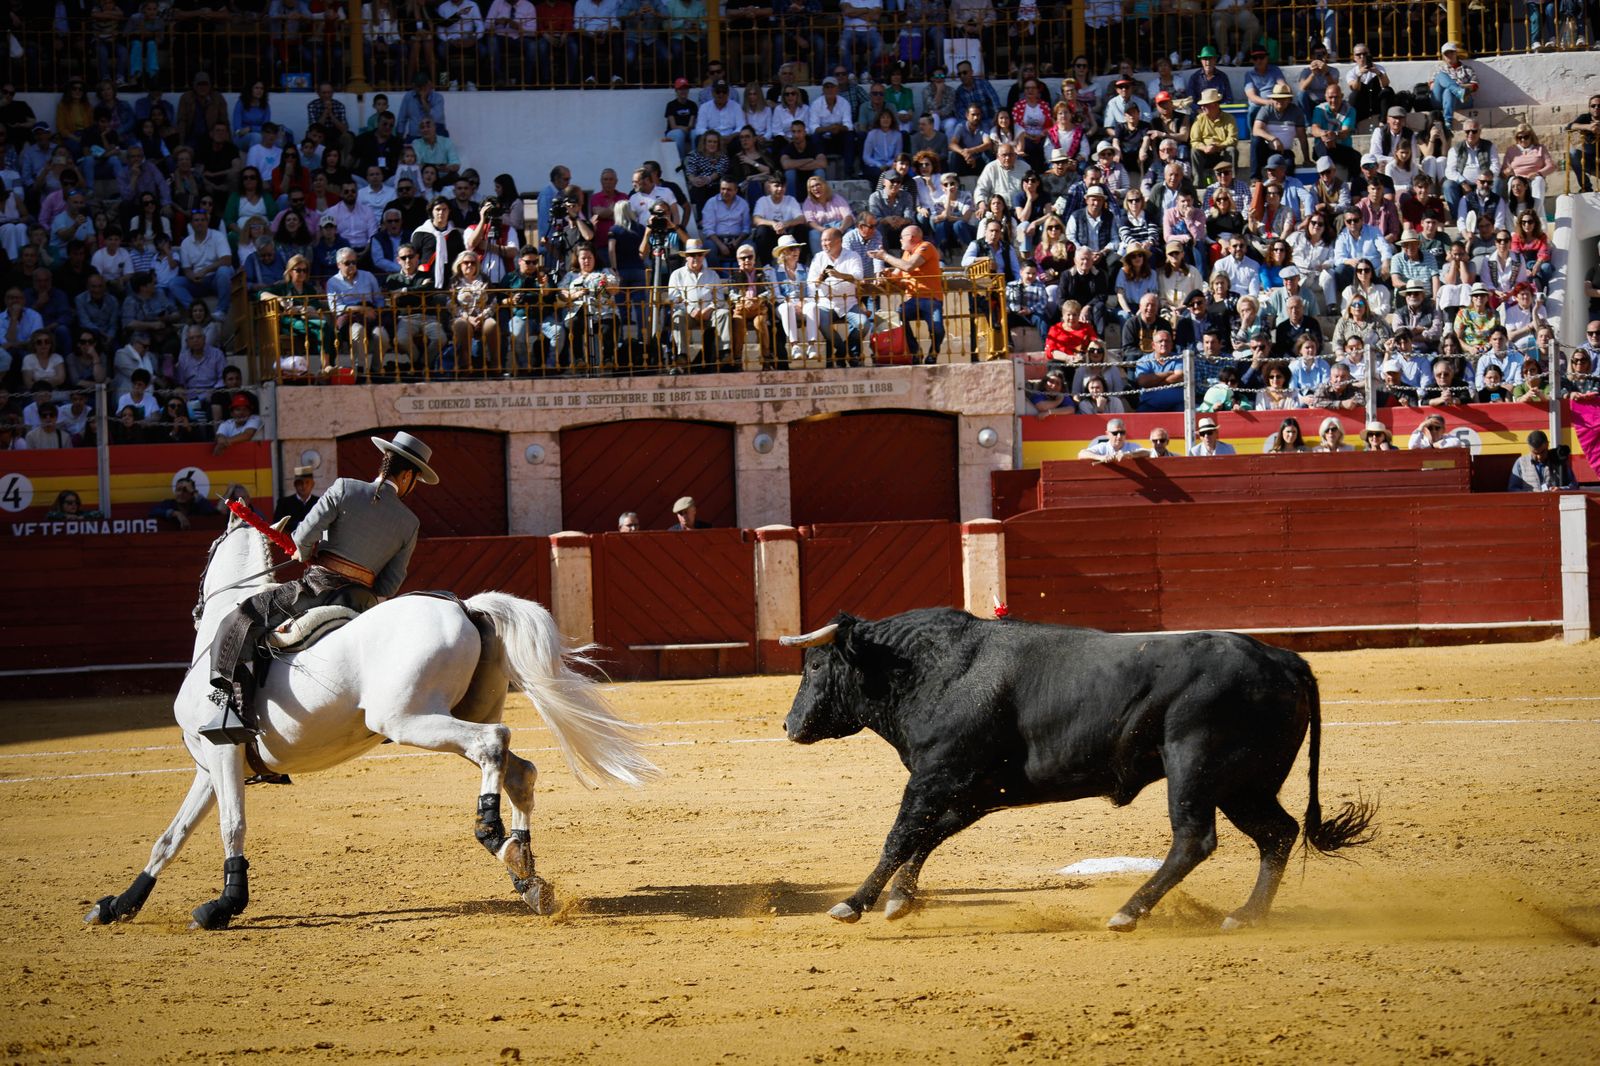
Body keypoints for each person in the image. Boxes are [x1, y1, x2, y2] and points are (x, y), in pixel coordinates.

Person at [204, 431, 437, 745]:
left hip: (316, 589)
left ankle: (237, 710)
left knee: (241, 617)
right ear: (407, 474)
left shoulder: (344, 488)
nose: (412, 487)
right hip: (362, 603)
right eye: (415, 480)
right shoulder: (409, 522)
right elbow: (389, 584)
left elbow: (301, 540)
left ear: (384, 463)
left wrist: (311, 551)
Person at [1507, 430, 1576, 492]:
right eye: (1535, 453)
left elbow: (1574, 485)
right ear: (1529, 448)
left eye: (1542, 452)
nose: (1539, 457)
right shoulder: (1521, 462)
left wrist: (1562, 489)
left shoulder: (1558, 460)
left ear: (1547, 445)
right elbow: (1512, 488)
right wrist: (1528, 495)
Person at [1077, 417, 1149, 463]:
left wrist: (1129, 455)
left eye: (1122, 432)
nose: (1119, 436)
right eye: (1115, 433)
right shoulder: (1102, 447)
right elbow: (1081, 454)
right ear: (1107, 434)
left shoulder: (1132, 446)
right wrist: (1101, 457)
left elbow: (1147, 453)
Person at [276, 464, 321, 532]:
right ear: (295, 484)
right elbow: (278, 526)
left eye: (307, 482)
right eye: (300, 483)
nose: (304, 486)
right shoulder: (284, 503)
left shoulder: (319, 502)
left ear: (312, 484)